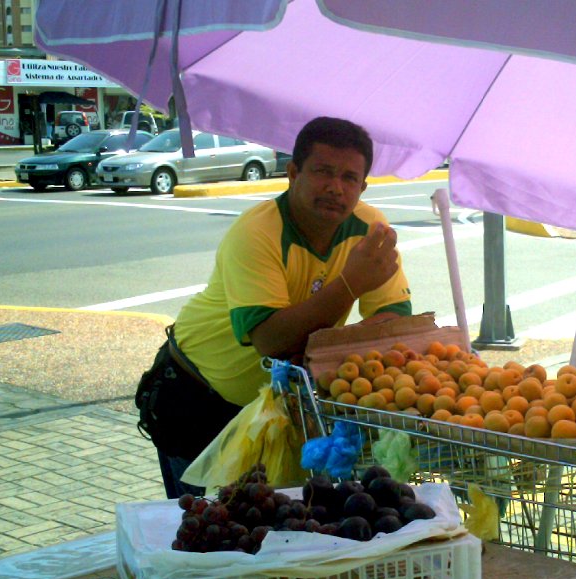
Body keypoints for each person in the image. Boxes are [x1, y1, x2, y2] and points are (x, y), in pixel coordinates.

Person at [135, 117, 412, 498]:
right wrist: (349, 285)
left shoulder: (370, 228)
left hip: (280, 411)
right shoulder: (256, 232)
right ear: (294, 173)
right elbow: (270, 339)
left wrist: (330, 342)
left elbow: (395, 319)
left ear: (363, 187)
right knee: (212, 538)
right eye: (323, 172)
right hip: (198, 401)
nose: (336, 188)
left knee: (280, 531)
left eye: (350, 178)